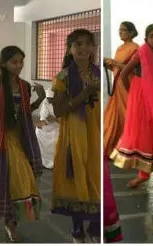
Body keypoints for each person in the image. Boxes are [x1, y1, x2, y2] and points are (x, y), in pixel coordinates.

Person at [0, 46, 45, 241]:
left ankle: (12, 222)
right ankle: (10, 225)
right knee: (10, 180)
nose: (19, 65)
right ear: (4, 63)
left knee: (20, 178)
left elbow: (24, 111)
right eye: (14, 62)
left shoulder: (24, 86)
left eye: (21, 61)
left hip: (19, 137)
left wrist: (41, 99)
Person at [111, 24, 153, 194]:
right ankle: (143, 175)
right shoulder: (141, 53)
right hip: (143, 101)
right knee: (146, 137)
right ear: (146, 38)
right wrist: (133, 94)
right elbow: (124, 74)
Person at [50, 29, 101, 242]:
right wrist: (84, 94)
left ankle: (96, 227)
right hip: (74, 134)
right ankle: (77, 227)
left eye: (87, 43)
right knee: (76, 174)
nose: (83, 48)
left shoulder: (101, 73)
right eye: (77, 44)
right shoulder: (62, 77)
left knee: (96, 176)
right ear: (69, 49)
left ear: (93, 47)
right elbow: (59, 111)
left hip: (96, 132)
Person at [103, 21, 139, 156]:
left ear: (131, 32)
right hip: (118, 86)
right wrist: (110, 65)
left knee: (127, 115)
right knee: (115, 116)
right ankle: (114, 148)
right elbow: (118, 68)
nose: (120, 32)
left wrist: (115, 63)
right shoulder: (119, 48)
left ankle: (128, 147)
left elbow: (134, 69)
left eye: (123, 30)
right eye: (120, 30)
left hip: (128, 85)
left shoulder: (135, 48)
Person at [35, 88, 58, 169]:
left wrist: (55, 119)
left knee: (55, 136)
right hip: (49, 124)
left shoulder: (62, 102)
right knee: (38, 132)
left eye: (51, 99)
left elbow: (65, 119)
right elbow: (44, 119)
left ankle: (54, 159)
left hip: (59, 125)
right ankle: (42, 158)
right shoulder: (46, 102)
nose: (49, 101)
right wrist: (40, 124)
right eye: (48, 99)